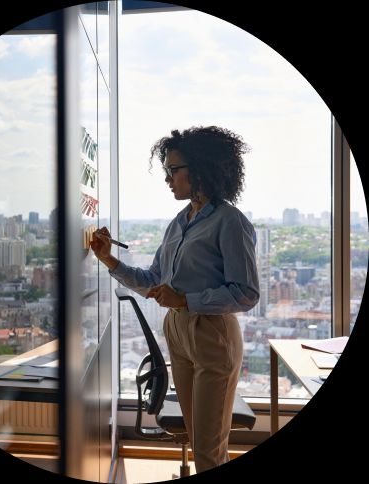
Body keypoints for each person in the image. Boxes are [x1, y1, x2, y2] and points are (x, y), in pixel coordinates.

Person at [90, 126, 260, 473]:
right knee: (201, 443)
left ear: (199, 170)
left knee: (209, 450)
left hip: (212, 335)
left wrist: (184, 300)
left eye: (172, 170)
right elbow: (154, 281)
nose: (167, 179)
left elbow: (246, 293)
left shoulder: (230, 222)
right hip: (179, 334)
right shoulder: (178, 223)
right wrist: (110, 260)